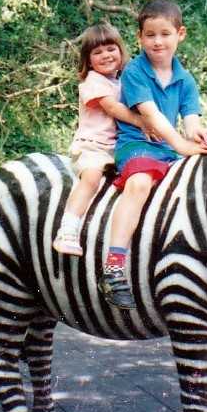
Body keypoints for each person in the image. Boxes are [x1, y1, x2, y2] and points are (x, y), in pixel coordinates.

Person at [99, 0, 207, 309]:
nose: (157, 42)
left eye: (165, 34)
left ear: (180, 34)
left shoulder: (185, 79)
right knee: (139, 183)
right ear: (139, 38)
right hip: (138, 145)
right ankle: (113, 266)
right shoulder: (135, 72)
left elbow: (191, 121)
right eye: (150, 35)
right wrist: (181, 145)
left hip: (168, 149)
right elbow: (150, 115)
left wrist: (200, 137)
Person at [53, 23, 153, 256]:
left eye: (111, 49)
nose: (106, 55)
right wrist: (142, 122)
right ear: (88, 61)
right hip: (92, 147)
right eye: (97, 52)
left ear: (121, 51)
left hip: (115, 148)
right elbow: (113, 108)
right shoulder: (93, 81)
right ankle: (67, 230)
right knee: (91, 179)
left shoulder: (122, 80)